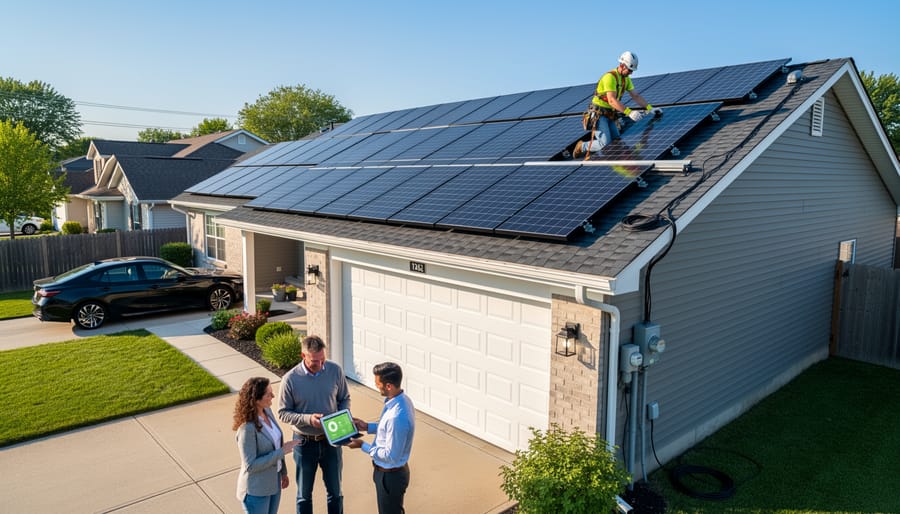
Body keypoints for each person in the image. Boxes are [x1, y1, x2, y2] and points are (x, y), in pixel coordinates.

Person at [278, 335, 351, 514]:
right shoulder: (290, 379)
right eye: (314, 361)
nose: (320, 364)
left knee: (335, 492)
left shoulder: (335, 370)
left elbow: (344, 398)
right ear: (303, 356)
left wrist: (340, 419)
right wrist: (308, 419)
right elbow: (283, 413)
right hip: (304, 443)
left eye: (322, 359)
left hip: (331, 440)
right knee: (304, 494)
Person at [347, 362, 416, 514]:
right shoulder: (402, 401)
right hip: (388, 474)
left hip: (390, 477)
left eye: (378, 383)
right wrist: (367, 427)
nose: (376, 385)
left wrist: (362, 445)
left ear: (389, 386)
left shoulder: (396, 416)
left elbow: (390, 456)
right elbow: (389, 431)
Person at [573, 51, 662, 159]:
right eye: (629, 70)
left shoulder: (626, 80)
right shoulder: (609, 77)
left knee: (617, 143)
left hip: (610, 114)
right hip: (599, 114)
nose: (631, 73)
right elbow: (611, 100)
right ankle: (582, 146)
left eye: (632, 71)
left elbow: (636, 96)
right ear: (622, 65)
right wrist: (629, 112)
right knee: (605, 144)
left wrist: (650, 108)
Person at [233, 376, 300, 514]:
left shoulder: (267, 412)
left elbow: (276, 443)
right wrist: (282, 451)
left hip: (274, 483)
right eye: (268, 394)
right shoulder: (247, 429)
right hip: (256, 490)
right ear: (256, 399)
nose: (273, 396)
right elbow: (250, 465)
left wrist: (283, 472)